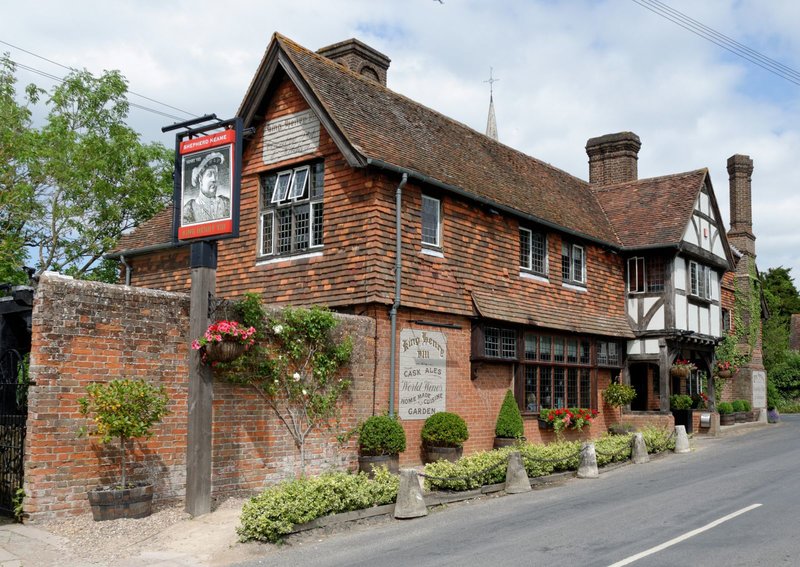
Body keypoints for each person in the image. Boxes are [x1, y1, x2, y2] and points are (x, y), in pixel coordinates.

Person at [182, 151, 231, 224]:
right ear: (200, 179)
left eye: (216, 175)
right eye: (209, 175)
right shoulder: (189, 209)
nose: (214, 179)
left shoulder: (226, 203)